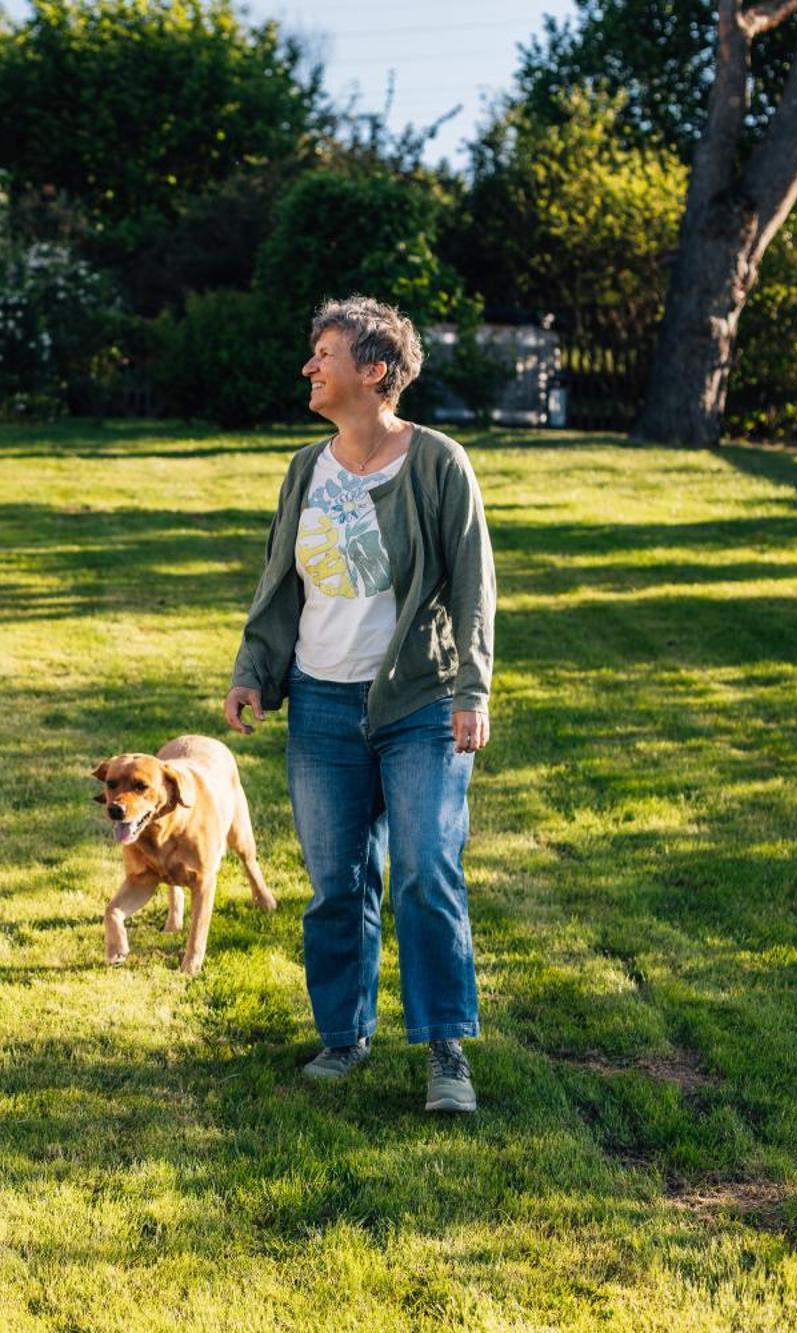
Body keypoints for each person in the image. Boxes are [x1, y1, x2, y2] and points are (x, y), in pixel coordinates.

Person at [223, 295, 496, 1112]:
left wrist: (472, 687)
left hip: (418, 701)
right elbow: (282, 577)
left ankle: (445, 1047)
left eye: (326, 353)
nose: (310, 366)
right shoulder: (307, 468)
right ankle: (344, 1035)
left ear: (374, 371)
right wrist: (255, 668)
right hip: (320, 704)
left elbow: (476, 583)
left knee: (425, 871)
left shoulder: (438, 461)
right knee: (337, 883)